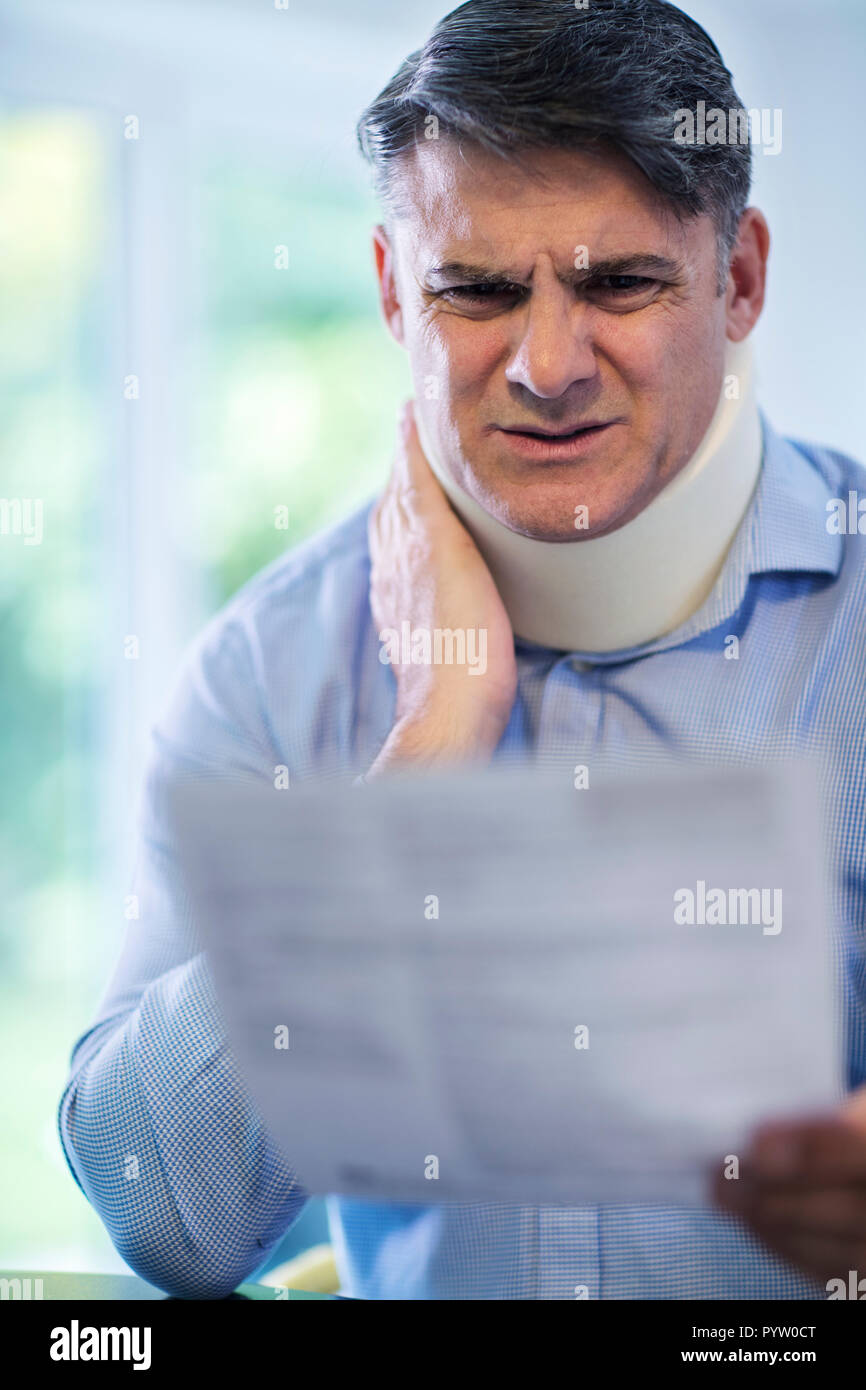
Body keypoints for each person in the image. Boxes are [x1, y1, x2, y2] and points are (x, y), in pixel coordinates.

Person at [59, 0, 866, 1299]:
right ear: (390, 289)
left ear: (741, 278)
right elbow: (158, 1217)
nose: (546, 365)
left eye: (619, 283)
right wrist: (429, 748)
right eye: (476, 291)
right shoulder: (271, 665)